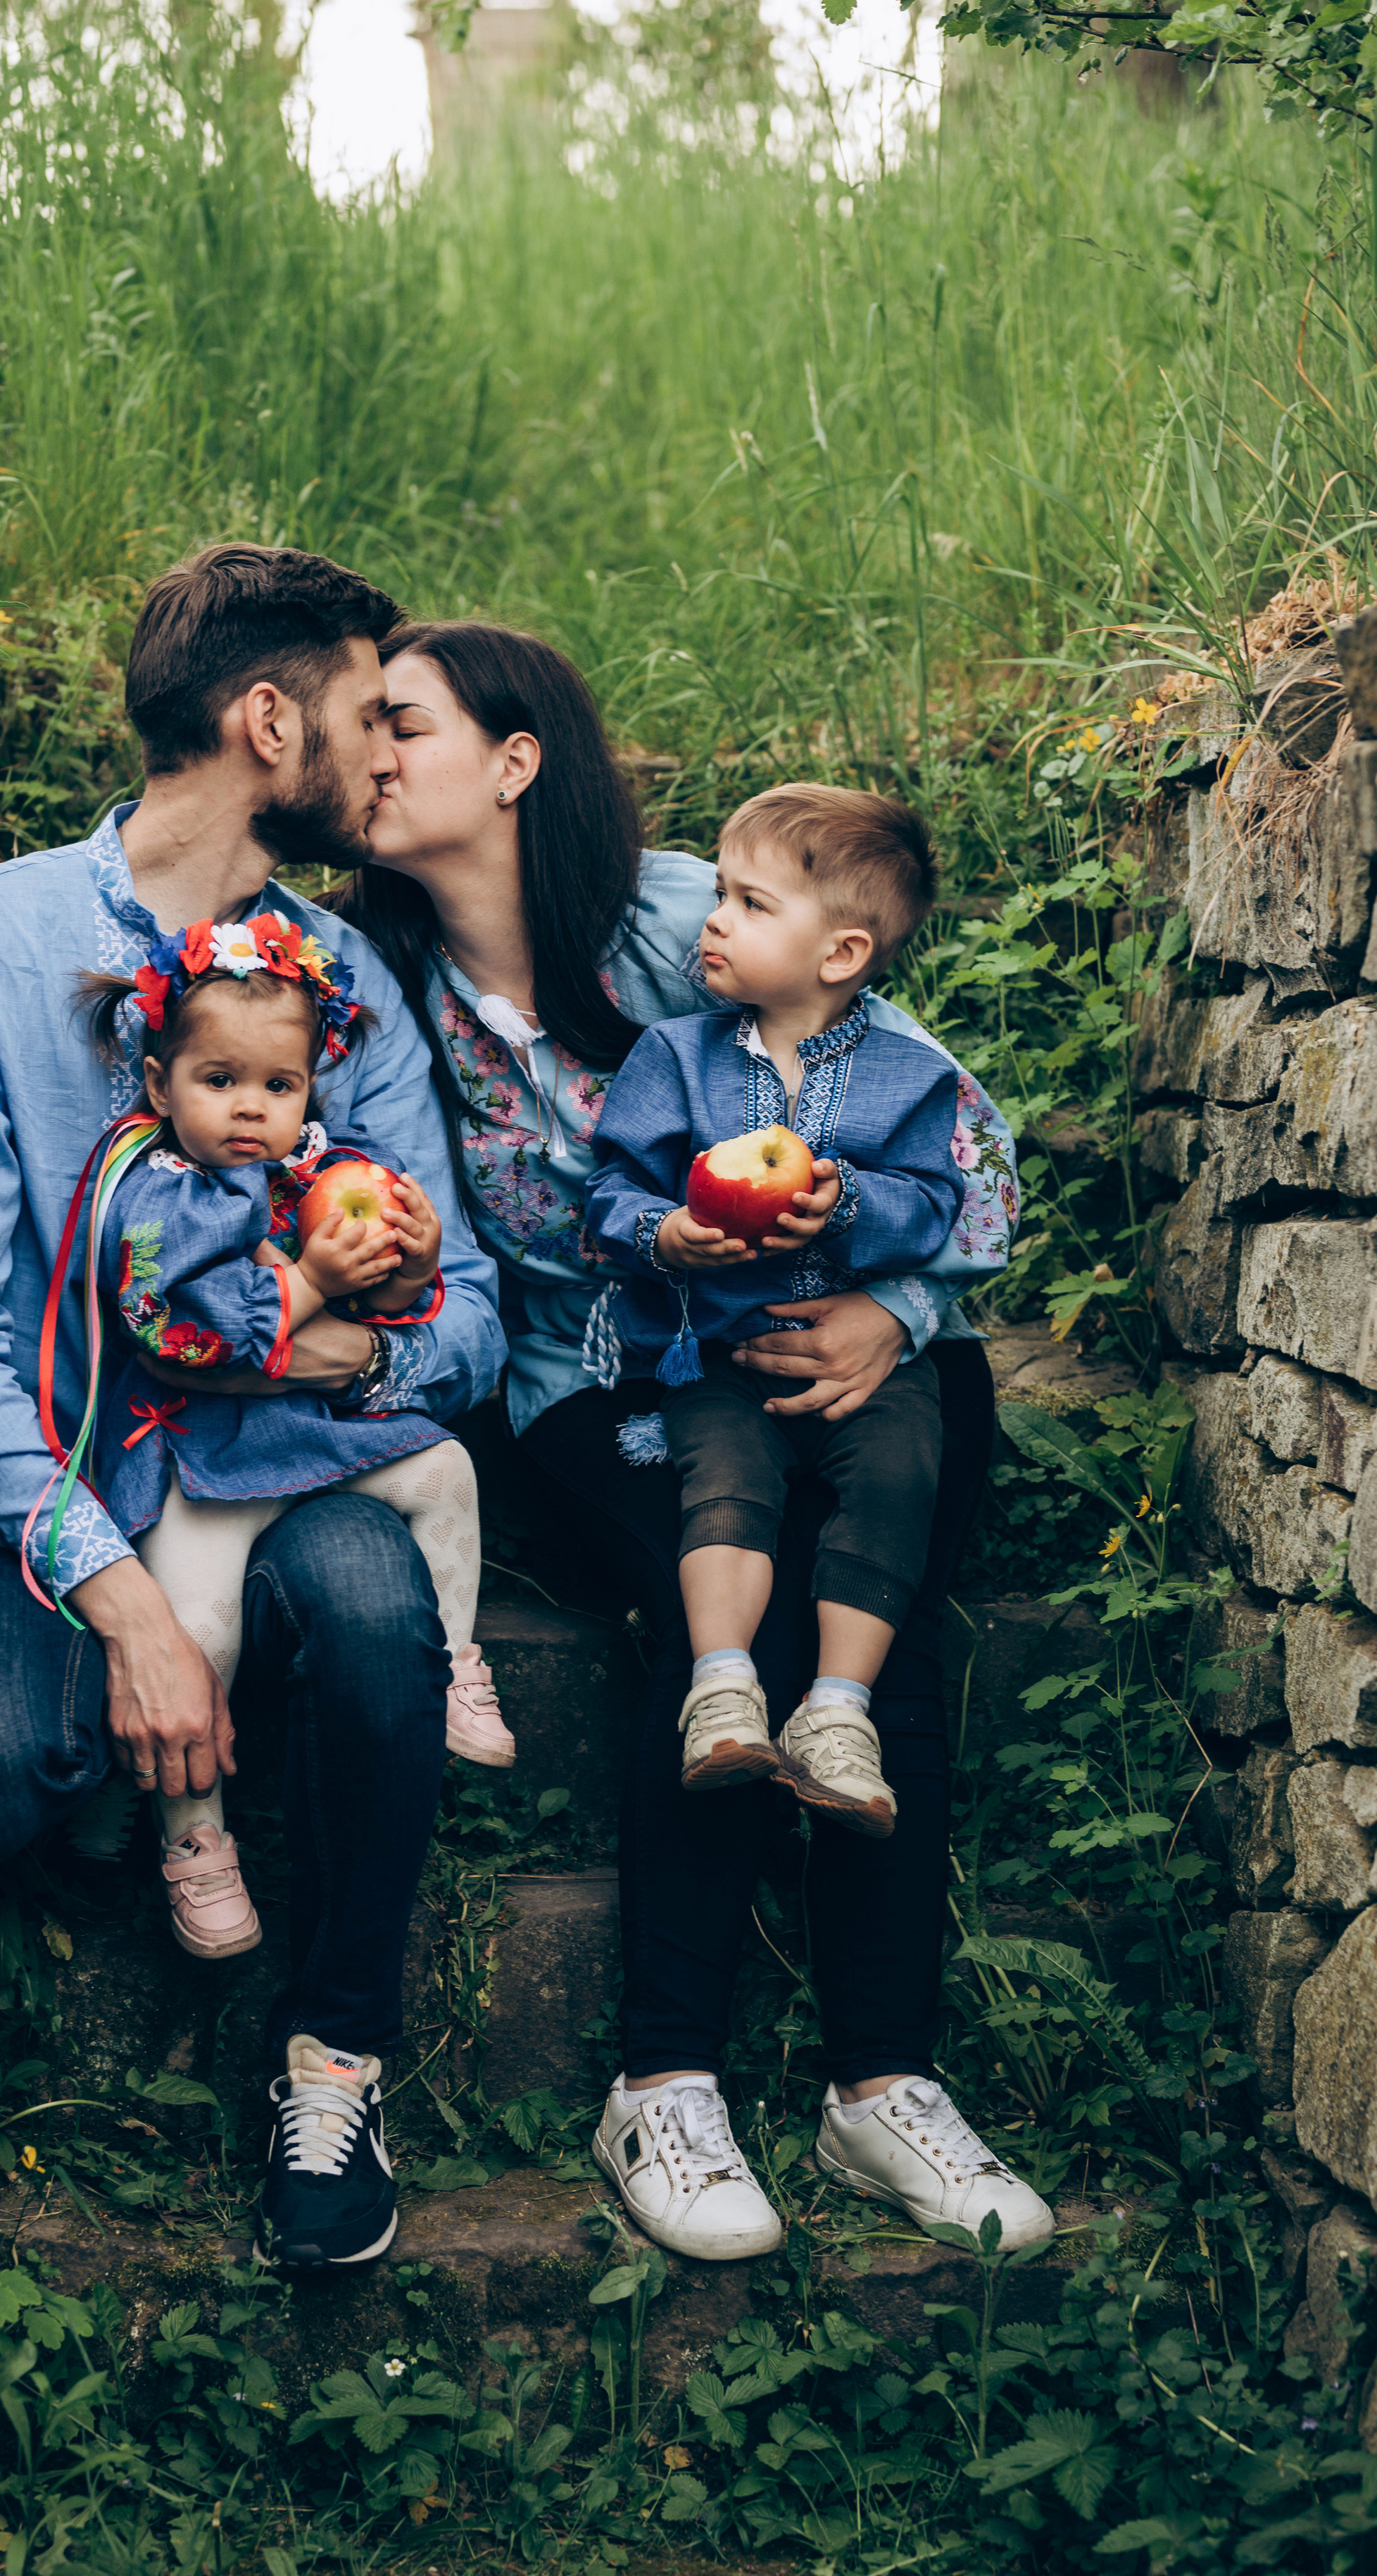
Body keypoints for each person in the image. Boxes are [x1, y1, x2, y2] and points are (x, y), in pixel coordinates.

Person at [345, 619, 1056, 2263]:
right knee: (713, 1602)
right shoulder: (374, 986)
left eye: (402, 723)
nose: (366, 753)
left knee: (859, 1611)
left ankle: (882, 2086)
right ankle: (664, 2079)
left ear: (514, 763)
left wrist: (898, 1306)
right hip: (595, 1367)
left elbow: (934, 1123)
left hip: (846, 1335)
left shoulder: (693, 916)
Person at [0, 545, 508, 2270]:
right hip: (66, 1471)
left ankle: (336, 2057)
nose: (388, 759)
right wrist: (120, 1596)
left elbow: (470, 1326)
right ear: (262, 718)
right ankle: (152, 1741)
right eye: (371, 719)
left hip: (279, 1471)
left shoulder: (343, 977)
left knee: (377, 1617)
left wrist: (361, 1353)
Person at [55, 909, 515, 1963]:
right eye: (219, 1082)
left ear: (312, 1087)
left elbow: (398, 1316)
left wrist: (406, 1261)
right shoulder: (155, 1191)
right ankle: (192, 1835)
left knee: (445, 1467)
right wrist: (310, 1281)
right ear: (160, 1081)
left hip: (302, 1436)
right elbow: (182, 1333)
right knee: (196, 1630)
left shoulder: (318, 1170)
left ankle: (451, 1662)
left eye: (279, 1085)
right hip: (196, 1454)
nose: (251, 1110)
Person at [584, 785, 963, 1831]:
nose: (713, 919)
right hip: (716, 1348)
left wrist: (850, 1206)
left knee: (900, 1470)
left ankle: (839, 1714)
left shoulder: (909, 1076)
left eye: (750, 904)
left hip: (862, 1359)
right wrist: (664, 1233)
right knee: (722, 1472)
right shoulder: (676, 1058)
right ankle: (722, 1688)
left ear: (841, 955)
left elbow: (938, 1204)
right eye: (719, 893)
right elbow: (609, 1193)